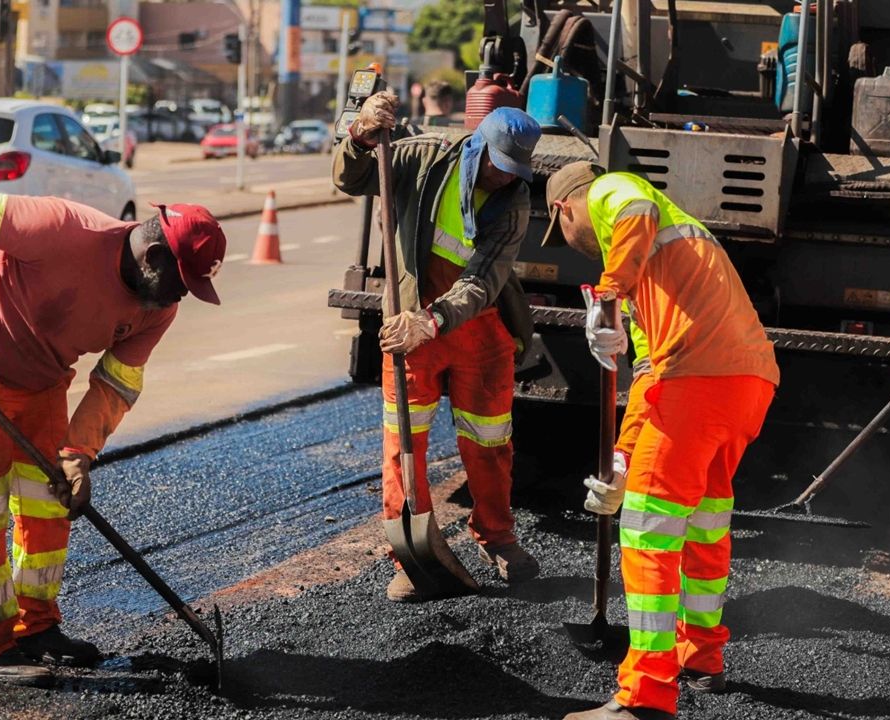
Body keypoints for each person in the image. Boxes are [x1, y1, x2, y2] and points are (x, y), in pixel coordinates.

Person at [0, 193, 226, 685]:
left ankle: (35, 627)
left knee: (50, 500)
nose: (181, 296)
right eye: (182, 281)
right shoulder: (64, 228)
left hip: (40, 374)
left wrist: (79, 453)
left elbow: (117, 382)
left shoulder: (157, 309)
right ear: (153, 257)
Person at [544, 162, 780, 720]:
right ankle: (701, 658)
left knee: (648, 524)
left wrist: (606, 295)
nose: (576, 245)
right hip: (746, 383)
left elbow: (635, 208)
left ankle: (646, 695)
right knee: (704, 520)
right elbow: (649, 378)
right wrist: (622, 459)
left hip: (699, 380)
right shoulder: (658, 279)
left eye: (564, 232)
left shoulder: (611, 191)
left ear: (564, 209)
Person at [332, 92, 543, 601]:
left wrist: (434, 321)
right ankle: (411, 553)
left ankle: (497, 537)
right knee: (404, 442)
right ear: (478, 146)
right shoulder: (421, 157)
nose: (504, 177)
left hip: (475, 323)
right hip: (410, 319)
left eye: (514, 170)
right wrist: (360, 136)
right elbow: (350, 180)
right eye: (498, 165)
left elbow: (484, 278)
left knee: (490, 440)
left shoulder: (514, 200)